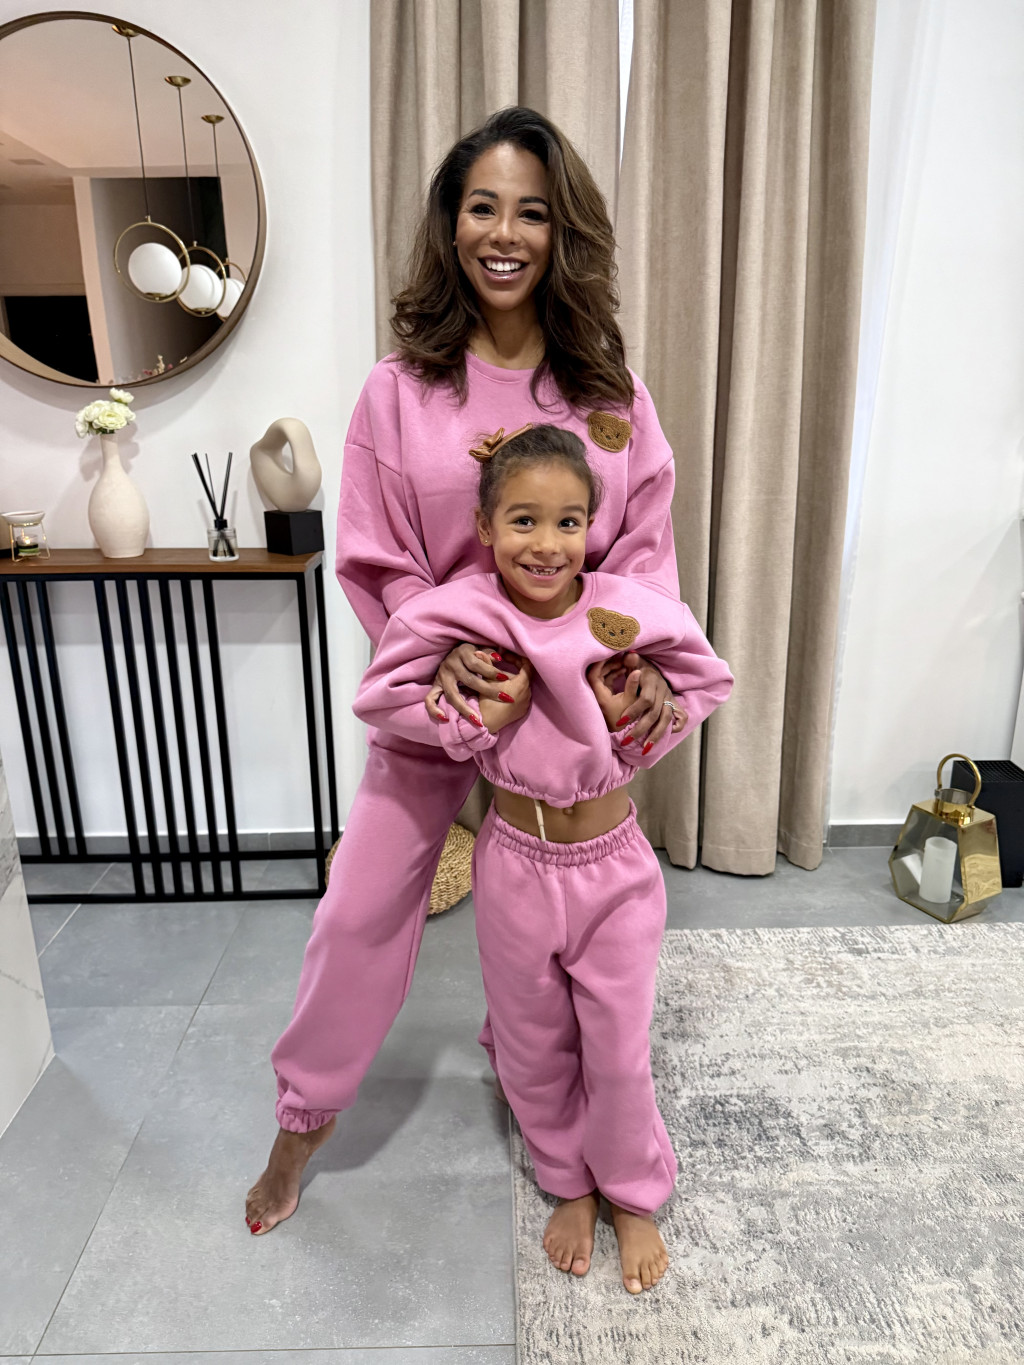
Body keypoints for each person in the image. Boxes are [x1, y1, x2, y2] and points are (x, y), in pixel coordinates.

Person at [246, 106, 683, 1238]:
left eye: (531, 212)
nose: (505, 233)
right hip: (446, 692)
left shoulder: (609, 395)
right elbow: (376, 555)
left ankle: (561, 1093)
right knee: (357, 909)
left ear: (560, 232)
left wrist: (633, 662)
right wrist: (442, 664)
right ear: (451, 224)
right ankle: (301, 1124)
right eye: (482, 207)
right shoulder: (400, 390)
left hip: (567, 701)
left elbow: (640, 554)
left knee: (566, 907)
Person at [353, 424, 733, 1292]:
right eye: (523, 520)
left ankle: (631, 1191)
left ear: (592, 527)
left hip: (615, 870)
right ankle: (567, 1179)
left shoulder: (628, 608)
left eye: (568, 522)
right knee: (531, 1040)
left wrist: (648, 706)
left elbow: (706, 679)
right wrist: (466, 716)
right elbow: (381, 694)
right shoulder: (457, 612)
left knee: (618, 1045)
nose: (547, 543)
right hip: (514, 864)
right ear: (485, 526)